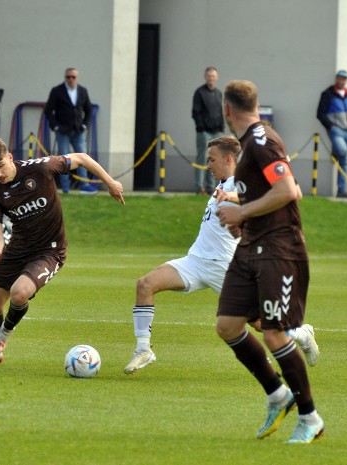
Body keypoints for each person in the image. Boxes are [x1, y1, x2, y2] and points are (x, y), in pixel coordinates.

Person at [124, 135, 320, 375]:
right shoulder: (222, 183)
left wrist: (230, 197)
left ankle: (302, 334)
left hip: (225, 267)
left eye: (211, 160)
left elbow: (256, 197)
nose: (208, 165)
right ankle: (143, 349)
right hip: (195, 261)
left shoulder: (240, 182)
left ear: (228, 159)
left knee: (261, 323)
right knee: (145, 284)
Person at [216, 80, 324, 444]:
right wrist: (242, 219)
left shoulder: (262, 142)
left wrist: (241, 211)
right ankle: (278, 395)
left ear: (227, 110)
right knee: (228, 325)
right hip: (251, 247)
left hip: (279, 250)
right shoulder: (249, 145)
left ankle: (310, 417)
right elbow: (270, 194)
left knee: (275, 332)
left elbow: (289, 191)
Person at [0, 136, 124, 365]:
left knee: (20, 293)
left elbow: (82, 157)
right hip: (17, 248)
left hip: (49, 251)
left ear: (10, 157)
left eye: (0, 165)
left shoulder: (40, 168)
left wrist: (110, 182)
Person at [44, 67, 97, 194]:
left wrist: (85, 125)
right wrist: (55, 126)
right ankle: (65, 186)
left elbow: (89, 109)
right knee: (64, 159)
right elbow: (48, 110)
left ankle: (84, 185)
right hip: (62, 130)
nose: (70, 79)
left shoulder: (82, 91)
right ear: (65, 78)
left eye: (73, 77)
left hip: (78, 130)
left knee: (83, 157)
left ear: (76, 78)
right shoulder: (57, 91)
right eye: (68, 77)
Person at [317, 69, 347, 198]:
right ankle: (335, 151)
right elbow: (320, 113)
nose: (342, 81)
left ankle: (341, 190)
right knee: (343, 151)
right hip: (336, 130)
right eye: (340, 78)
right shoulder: (327, 94)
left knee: (345, 161)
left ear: (346, 81)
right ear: (336, 78)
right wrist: (331, 126)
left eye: (344, 79)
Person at [192, 66, 225, 195]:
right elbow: (195, 112)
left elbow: (220, 111)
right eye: (209, 76)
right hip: (203, 132)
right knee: (202, 159)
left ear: (216, 78)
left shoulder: (218, 93)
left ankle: (210, 187)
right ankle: (199, 188)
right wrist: (201, 127)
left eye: (213, 76)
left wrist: (222, 127)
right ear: (206, 77)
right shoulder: (199, 93)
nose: (211, 78)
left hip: (217, 131)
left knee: (214, 159)